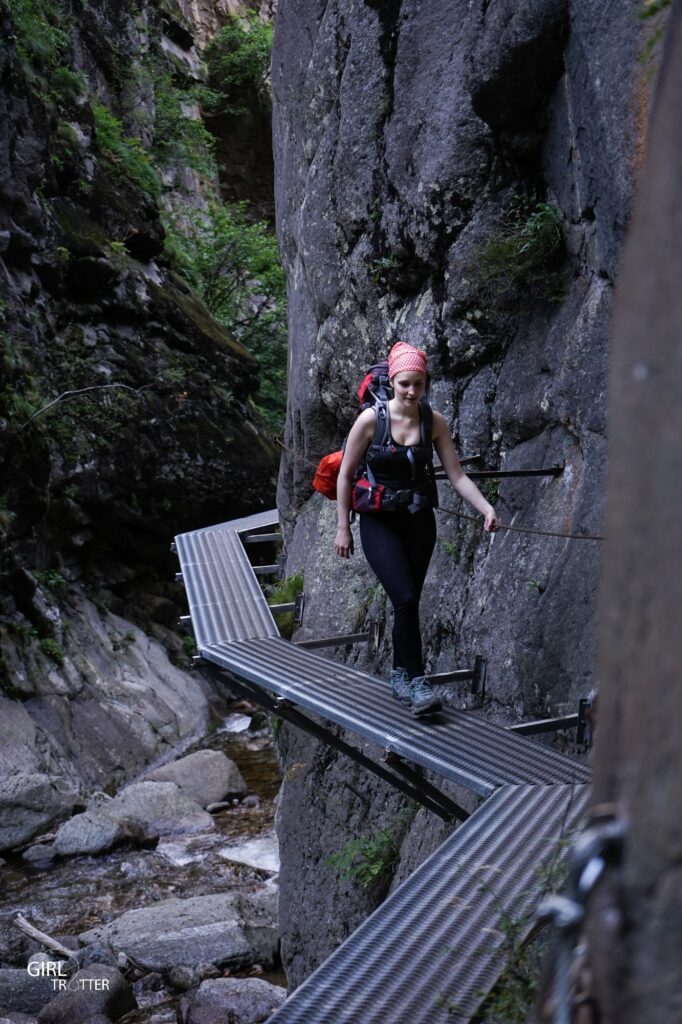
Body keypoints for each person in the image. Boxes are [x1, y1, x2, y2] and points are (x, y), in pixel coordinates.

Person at [333, 341, 499, 716]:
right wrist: (343, 527)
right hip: (378, 522)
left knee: (407, 603)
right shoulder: (371, 421)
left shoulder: (433, 421)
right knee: (405, 597)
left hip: (419, 522)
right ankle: (419, 682)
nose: (411, 391)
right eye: (405, 383)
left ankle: (399, 675)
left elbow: (456, 475)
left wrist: (486, 507)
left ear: (425, 384)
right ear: (392, 381)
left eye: (418, 384)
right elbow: (345, 475)